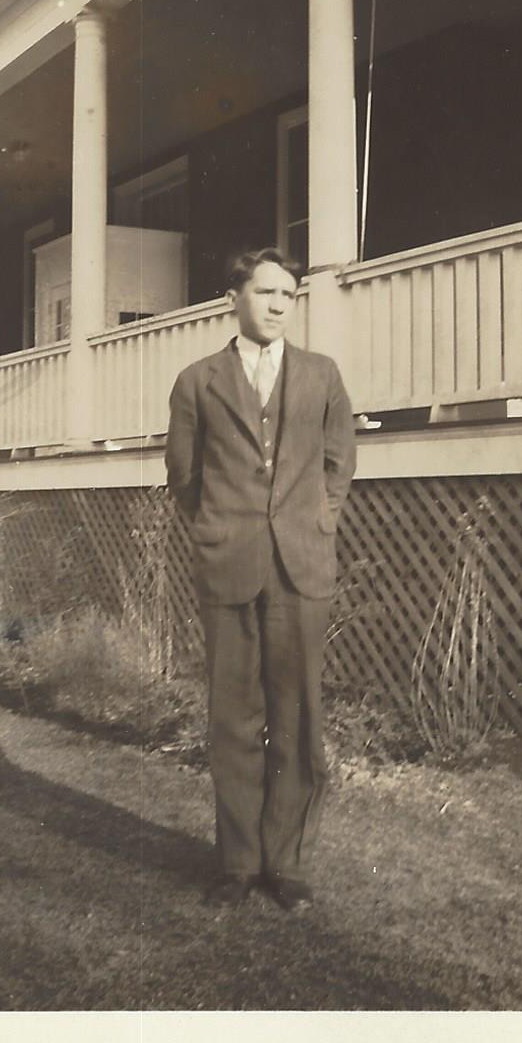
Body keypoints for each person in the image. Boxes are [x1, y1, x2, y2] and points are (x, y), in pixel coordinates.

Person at [165, 247, 356, 912]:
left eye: (288, 295)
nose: (278, 305)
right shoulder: (197, 381)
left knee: (296, 716)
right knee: (233, 719)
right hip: (229, 564)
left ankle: (287, 864)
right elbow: (184, 477)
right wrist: (219, 528)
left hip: (300, 568)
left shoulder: (321, 375)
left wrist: (316, 522)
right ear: (233, 299)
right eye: (265, 291)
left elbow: (338, 464)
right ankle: (239, 863)